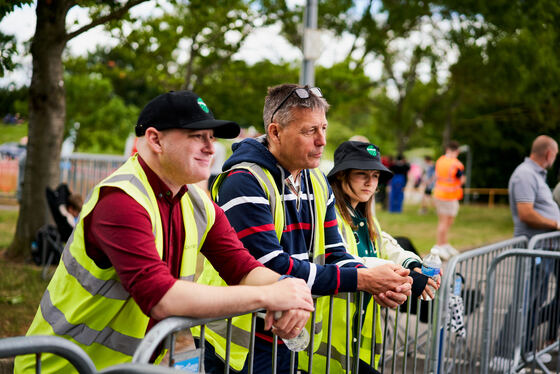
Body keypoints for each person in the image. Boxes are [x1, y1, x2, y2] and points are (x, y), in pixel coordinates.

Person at [14, 90, 314, 374]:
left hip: (124, 367)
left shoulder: (196, 201)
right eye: (197, 137)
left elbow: (243, 268)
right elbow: (162, 298)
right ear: (155, 140)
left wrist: (291, 290)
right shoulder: (121, 200)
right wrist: (268, 296)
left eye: (211, 137)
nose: (211, 148)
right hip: (64, 366)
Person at [197, 84, 413, 374]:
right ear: (275, 132)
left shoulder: (317, 180)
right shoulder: (244, 180)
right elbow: (269, 265)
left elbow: (335, 251)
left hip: (289, 329)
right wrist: (362, 279)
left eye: (323, 127)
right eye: (309, 131)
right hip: (240, 339)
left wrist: (380, 282)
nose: (322, 140)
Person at [325, 140, 438, 372]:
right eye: (361, 174)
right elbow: (348, 259)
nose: (370, 182)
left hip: (356, 346)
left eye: (375, 175)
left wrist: (412, 263)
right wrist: (404, 276)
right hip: (328, 349)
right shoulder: (330, 214)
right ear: (340, 175)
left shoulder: (362, 215)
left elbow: (386, 244)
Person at [491, 135, 560, 371]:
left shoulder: (536, 175)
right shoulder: (524, 174)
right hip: (532, 250)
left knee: (534, 302)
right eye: (555, 155)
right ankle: (503, 356)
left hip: (542, 251)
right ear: (549, 154)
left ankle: (525, 348)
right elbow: (526, 213)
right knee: (522, 302)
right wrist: (556, 225)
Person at [431, 141, 465, 260]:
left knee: (444, 221)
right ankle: (440, 246)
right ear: (457, 151)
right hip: (448, 196)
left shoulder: (440, 160)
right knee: (445, 222)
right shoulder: (457, 164)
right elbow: (461, 180)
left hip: (439, 194)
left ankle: (444, 244)